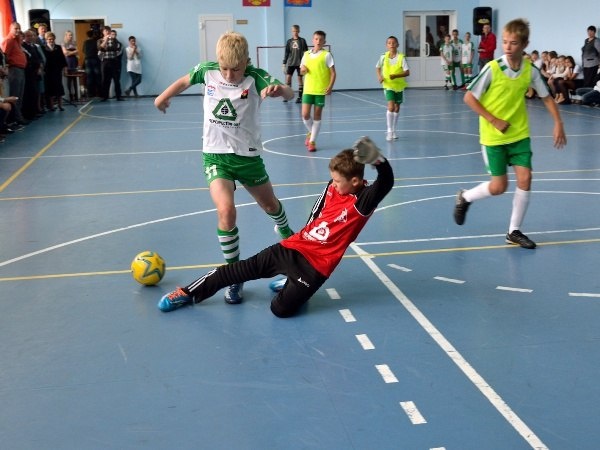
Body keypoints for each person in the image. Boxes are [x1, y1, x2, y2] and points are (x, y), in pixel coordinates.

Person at [156, 136, 394, 318]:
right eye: (333, 178)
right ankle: (186, 293)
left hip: (315, 268)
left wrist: (378, 161)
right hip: (293, 247)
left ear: (355, 181)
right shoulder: (334, 186)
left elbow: (386, 181)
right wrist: (300, 237)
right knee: (237, 271)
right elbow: (317, 212)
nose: (333, 184)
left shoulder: (363, 200)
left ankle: (291, 282)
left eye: (338, 181)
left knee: (280, 310)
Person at [154, 31, 295, 304]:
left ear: (247, 62)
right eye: (225, 68)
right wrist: (162, 97)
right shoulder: (207, 72)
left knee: (270, 206)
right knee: (226, 212)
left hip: (248, 158)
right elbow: (184, 81)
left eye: (236, 69)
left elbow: (289, 92)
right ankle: (234, 275)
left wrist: (281, 90)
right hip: (215, 156)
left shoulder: (256, 77)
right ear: (218, 61)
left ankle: (287, 234)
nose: (230, 75)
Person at [454, 18, 567, 249]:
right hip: (493, 136)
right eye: (505, 42)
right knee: (499, 187)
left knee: (526, 178)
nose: (507, 46)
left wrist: (558, 123)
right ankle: (465, 197)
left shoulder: (530, 70)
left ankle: (513, 231)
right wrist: (493, 120)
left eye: (513, 43)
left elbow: (546, 97)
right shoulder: (492, 68)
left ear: (524, 44)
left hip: (519, 134)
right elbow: (469, 97)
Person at [300, 30, 336, 152]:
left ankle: (312, 141)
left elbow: (333, 73)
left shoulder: (327, 55)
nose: (318, 41)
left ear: (324, 41)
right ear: (313, 40)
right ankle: (311, 132)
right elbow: (302, 70)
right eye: (316, 39)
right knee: (305, 115)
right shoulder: (306, 54)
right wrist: (302, 70)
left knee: (317, 116)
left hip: (320, 90)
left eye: (321, 39)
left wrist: (330, 86)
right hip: (308, 89)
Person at [375, 35, 409, 141]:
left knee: (397, 108)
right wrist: (379, 76)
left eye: (394, 43)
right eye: (389, 43)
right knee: (391, 107)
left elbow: (407, 72)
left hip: (399, 86)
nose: (391, 45)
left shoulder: (401, 57)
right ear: (386, 45)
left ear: (397, 45)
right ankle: (389, 131)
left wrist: (396, 76)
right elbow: (378, 67)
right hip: (388, 85)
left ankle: (394, 129)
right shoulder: (383, 56)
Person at [1, 22, 28, 125]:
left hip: (20, 70)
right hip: (14, 70)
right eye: (15, 28)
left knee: (20, 95)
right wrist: (6, 68)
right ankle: (16, 118)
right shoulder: (9, 40)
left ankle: (18, 116)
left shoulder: (16, 41)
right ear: (10, 29)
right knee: (15, 95)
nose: (18, 30)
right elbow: (4, 56)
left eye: (19, 28)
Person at [282, 25, 308, 104]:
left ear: (299, 31)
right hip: (291, 63)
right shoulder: (289, 41)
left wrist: (306, 63)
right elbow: (286, 53)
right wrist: (284, 63)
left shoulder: (302, 41)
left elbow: (306, 52)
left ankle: (300, 97)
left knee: (300, 79)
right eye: (293, 31)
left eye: (296, 31)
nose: (295, 32)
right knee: (288, 78)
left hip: (300, 63)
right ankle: (287, 95)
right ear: (292, 31)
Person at [43, 31, 67, 111]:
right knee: (50, 89)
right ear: (46, 39)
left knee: (59, 88)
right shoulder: (43, 48)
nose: (51, 40)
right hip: (48, 71)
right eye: (49, 39)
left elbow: (62, 59)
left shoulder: (58, 47)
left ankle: (60, 105)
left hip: (57, 70)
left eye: (52, 39)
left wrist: (64, 69)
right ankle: (52, 106)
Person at [97, 25, 123, 101]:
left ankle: (118, 96)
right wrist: (105, 41)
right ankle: (105, 97)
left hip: (114, 61)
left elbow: (116, 48)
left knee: (116, 80)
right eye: (106, 31)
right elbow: (100, 48)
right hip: (105, 61)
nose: (107, 32)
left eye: (109, 30)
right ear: (103, 32)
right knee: (105, 80)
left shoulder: (115, 40)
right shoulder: (99, 40)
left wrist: (105, 48)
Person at [83, 29, 101, 98]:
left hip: (87, 60)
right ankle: (99, 93)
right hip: (95, 59)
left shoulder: (85, 42)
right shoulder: (96, 41)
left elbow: (83, 50)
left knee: (89, 77)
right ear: (93, 35)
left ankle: (90, 93)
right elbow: (98, 49)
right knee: (97, 76)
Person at [62, 30, 79, 102]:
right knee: (69, 80)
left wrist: (70, 52)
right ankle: (70, 96)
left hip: (74, 61)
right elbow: (65, 53)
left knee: (75, 79)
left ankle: (76, 95)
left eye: (71, 35)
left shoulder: (74, 42)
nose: (71, 36)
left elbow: (77, 52)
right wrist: (73, 52)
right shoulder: (63, 43)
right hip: (68, 62)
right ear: (66, 36)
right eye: (69, 35)